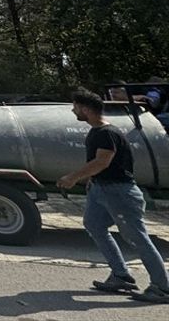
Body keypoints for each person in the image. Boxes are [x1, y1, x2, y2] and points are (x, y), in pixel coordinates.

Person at [58, 89, 168, 304]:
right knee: (94, 225)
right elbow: (104, 165)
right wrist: (92, 180)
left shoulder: (106, 133)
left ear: (86, 109)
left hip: (119, 192)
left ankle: (162, 288)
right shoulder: (97, 131)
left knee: (138, 238)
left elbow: (102, 161)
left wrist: (73, 177)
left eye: (76, 107)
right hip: (102, 189)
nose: (73, 110)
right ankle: (121, 276)